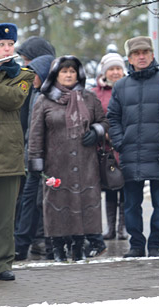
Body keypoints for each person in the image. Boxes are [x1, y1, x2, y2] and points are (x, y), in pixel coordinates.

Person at [28, 56, 109, 262]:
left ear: (78, 74)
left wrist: (96, 131)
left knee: (84, 202)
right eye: (64, 71)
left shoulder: (89, 98)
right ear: (56, 74)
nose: (68, 75)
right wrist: (35, 161)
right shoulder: (44, 100)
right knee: (57, 203)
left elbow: (103, 121)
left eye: (72, 71)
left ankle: (80, 245)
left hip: (85, 162)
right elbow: (36, 134)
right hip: (56, 162)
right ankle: (57, 247)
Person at [0, 23, 35, 282]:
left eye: (10, 44)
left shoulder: (23, 75)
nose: (7, 48)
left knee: (4, 217)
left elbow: (12, 100)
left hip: (8, 155)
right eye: (1, 45)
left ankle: (2, 264)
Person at [108, 37, 159, 258]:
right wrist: (119, 141)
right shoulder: (121, 85)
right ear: (130, 58)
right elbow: (112, 117)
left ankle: (156, 246)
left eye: (145, 52)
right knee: (132, 205)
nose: (141, 56)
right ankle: (136, 245)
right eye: (136, 53)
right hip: (131, 153)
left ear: (152, 54)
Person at [14, 54, 55, 261]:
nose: (32, 78)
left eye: (35, 73)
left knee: (40, 203)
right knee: (29, 202)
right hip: (32, 157)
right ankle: (20, 246)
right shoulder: (36, 93)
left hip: (43, 160)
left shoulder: (46, 97)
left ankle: (47, 245)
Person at [93, 52, 127, 245]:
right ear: (105, 72)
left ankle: (123, 227)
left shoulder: (128, 88)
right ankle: (110, 227)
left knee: (126, 189)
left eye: (118, 68)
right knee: (110, 187)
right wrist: (105, 134)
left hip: (125, 146)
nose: (115, 72)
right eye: (111, 69)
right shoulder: (96, 92)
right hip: (105, 148)